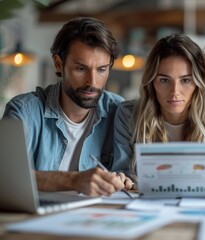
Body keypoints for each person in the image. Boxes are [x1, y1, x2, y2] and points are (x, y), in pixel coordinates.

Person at [2, 17, 133, 196]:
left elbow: (126, 173)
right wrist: (73, 180)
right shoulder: (24, 111)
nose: (92, 82)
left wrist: (122, 179)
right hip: (35, 218)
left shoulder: (119, 111)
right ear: (58, 64)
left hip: (94, 217)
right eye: (81, 69)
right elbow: (6, 178)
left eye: (101, 69)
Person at [113, 33, 205, 179]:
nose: (175, 92)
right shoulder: (127, 114)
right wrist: (122, 179)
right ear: (151, 82)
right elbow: (123, 172)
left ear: (199, 82)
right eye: (164, 80)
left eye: (185, 80)